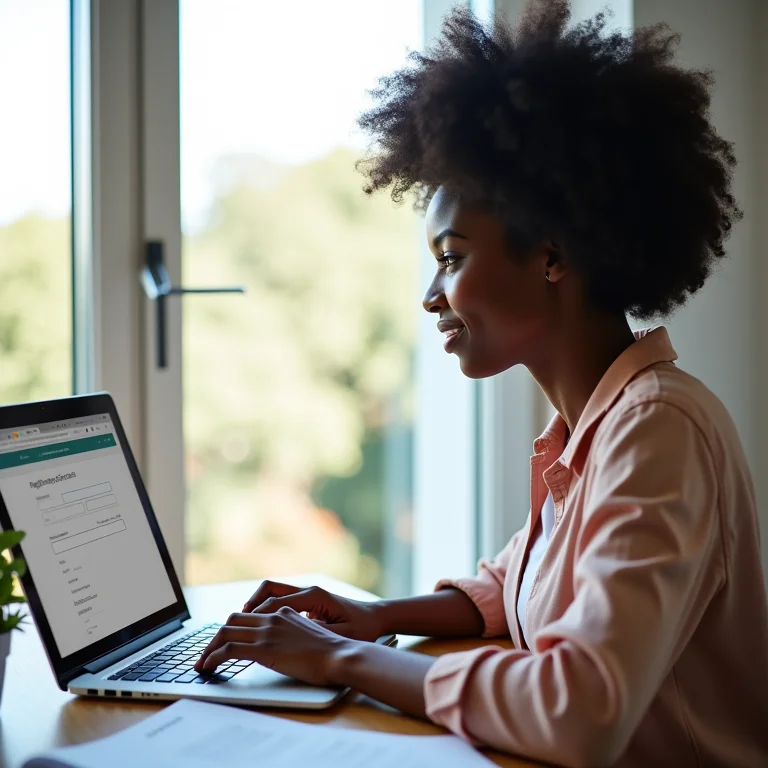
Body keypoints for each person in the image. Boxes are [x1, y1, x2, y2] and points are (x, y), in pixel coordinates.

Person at [194, 1, 768, 765]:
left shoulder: (658, 430)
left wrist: (335, 661)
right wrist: (372, 617)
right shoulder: (588, 429)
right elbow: (515, 585)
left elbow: (581, 709)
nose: (432, 293)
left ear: (553, 255)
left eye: (453, 256)